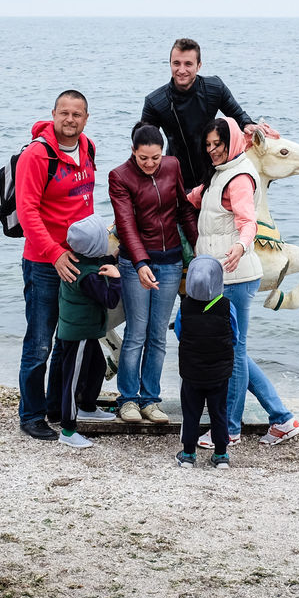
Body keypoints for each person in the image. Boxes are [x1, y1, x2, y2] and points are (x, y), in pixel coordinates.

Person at [188, 117, 299, 448]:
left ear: (233, 142)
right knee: (235, 350)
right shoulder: (220, 172)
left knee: (233, 352)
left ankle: (230, 429)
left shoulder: (239, 177)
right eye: (208, 145)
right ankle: (282, 418)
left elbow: (247, 221)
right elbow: (194, 199)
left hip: (235, 276)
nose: (212, 150)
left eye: (218, 144)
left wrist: (241, 245)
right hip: (221, 274)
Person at [14, 89, 97, 441]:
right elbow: (27, 212)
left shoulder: (88, 147)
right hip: (44, 263)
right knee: (39, 343)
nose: (70, 119)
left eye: (76, 114)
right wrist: (54, 253)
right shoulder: (36, 155)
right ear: (53, 114)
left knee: (70, 338)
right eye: (64, 112)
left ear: (85, 118)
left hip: (78, 260)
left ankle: (55, 406)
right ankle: (31, 415)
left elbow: (84, 205)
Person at [107, 122, 198, 424]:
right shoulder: (120, 176)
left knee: (158, 335)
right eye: (143, 158)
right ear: (133, 151)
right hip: (135, 264)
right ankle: (128, 400)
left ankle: (150, 400)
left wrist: (199, 249)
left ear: (162, 153)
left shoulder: (172, 166)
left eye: (155, 158)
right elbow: (125, 224)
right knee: (136, 333)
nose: (150, 164)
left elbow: (184, 210)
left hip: (171, 262)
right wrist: (140, 263)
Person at [140, 37, 273, 190]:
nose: (181, 70)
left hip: (215, 175)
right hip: (177, 181)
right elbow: (143, 144)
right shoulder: (155, 101)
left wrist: (248, 124)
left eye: (188, 64)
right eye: (176, 63)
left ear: (199, 66)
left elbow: (238, 115)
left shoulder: (214, 87)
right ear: (170, 64)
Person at [50, 213, 122, 449]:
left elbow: (98, 260)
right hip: (78, 334)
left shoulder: (79, 259)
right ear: (95, 246)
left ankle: (88, 407)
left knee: (98, 366)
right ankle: (68, 430)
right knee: (72, 381)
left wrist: (114, 256)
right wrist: (117, 277)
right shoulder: (88, 276)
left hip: (86, 330)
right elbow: (110, 300)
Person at [172, 255, 237, 469]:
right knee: (219, 411)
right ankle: (221, 455)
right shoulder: (227, 306)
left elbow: (180, 333)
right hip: (219, 372)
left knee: (191, 411)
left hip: (191, 371)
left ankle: (188, 454)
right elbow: (234, 336)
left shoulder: (184, 307)